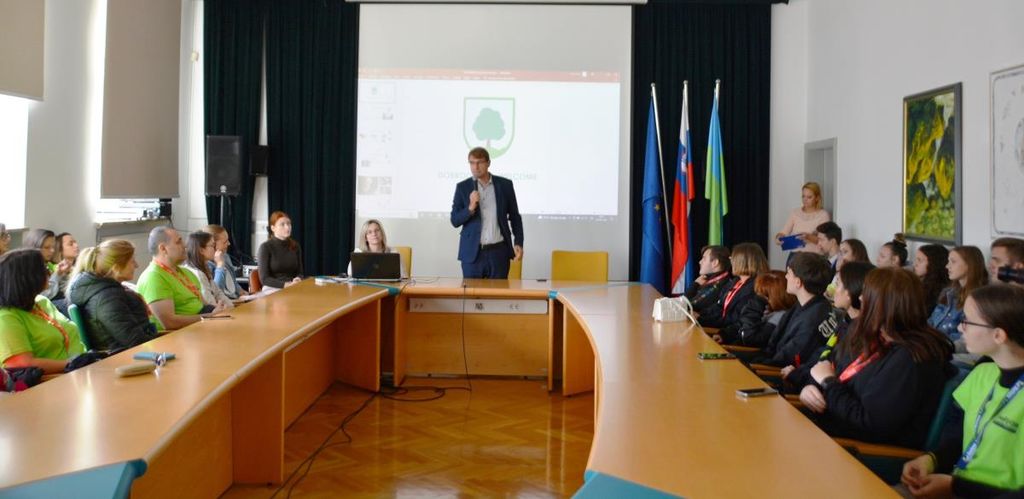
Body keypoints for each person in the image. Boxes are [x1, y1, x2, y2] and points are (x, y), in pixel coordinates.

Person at [798, 267, 953, 448]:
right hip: (828, 431)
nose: (861, 298)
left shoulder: (911, 360)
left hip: (857, 452)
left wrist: (828, 383)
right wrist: (811, 389)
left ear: (884, 304)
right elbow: (828, 368)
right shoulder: (872, 337)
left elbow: (868, 424)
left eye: (867, 294)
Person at [901, 284, 1024, 498]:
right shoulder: (982, 373)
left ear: (998, 335)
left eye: (967, 321)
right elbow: (966, 436)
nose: (960, 328)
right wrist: (931, 460)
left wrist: (954, 487)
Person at [782, 261, 874, 389]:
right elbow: (822, 356)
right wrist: (798, 372)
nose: (832, 289)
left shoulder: (860, 334)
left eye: (837, 284)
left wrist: (797, 375)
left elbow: (834, 369)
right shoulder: (846, 322)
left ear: (850, 292)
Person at [0, 249, 87, 373]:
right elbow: (20, 364)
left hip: (80, 369)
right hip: (54, 379)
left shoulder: (41, 301)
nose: (49, 272)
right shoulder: (5, 317)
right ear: (27, 278)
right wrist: (72, 364)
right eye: (43, 269)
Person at [742, 252, 833, 367]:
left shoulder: (811, 320)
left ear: (798, 282)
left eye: (789, 273)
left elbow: (784, 360)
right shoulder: (810, 305)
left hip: (776, 372)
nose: (786, 277)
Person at [67, 240, 158, 350]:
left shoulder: (106, 292)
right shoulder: (108, 299)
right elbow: (135, 340)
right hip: (126, 356)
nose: (136, 265)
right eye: (132, 261)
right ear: (116, 269)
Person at [449, 147, 524, 279]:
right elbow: (454, 220)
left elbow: (515, 217)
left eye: (479, 162)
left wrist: (518, 242)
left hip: (498, 253)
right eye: (472, 163)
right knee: (471, 292)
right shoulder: (462, 187)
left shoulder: (505, 185)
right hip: (472, 254)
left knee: (498, 292)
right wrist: (470, 208)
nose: (475, 167)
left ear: (488, 163)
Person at [137, 226, 225, 330]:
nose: (184, 245)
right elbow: (169, 323)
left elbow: (204, 305)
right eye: (178, 242)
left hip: (201, 327)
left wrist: (217, 310)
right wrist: (210, 316)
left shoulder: (187, 273)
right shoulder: (154, 277)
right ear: (163, 249)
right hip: (178, 335)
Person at [716, 270, 796, 348]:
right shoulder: (767, 310)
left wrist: (755, 308)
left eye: (763, 295)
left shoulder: (780, 316)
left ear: (777, 297)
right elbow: (742, 323)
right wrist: (724, 335)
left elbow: (751, 339)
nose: (759, 297)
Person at [929, 246, 988, 348]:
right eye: (948, 261)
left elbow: (965, 340)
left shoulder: (980, 299)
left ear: (969, 265)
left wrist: (937, 347)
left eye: (953, 262)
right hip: (934, 344)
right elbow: (931, 322)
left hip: (951, 350)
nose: (947, 266)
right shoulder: (948, 292)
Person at [700, 243, 769, 330]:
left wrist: (702, 321)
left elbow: (735, 319)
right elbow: (719, 306)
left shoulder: (755, 288)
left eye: (733, 257)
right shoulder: (735, 282)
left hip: (731, 333)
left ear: (744, 262)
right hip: (721, 328)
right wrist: (700, 315)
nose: (730, 259)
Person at [774, 182, 830, 254]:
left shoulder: (823, 215)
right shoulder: (795, 213)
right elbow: (783, 232)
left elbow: (824, 241)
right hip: (795, 255)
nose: (805, 200)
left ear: (817, 198)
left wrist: (809, 237)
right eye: (803, 196)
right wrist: (779, 238)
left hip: (814, 256)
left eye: (809, 197)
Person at [183, 232, 234, 311]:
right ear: (201, 250)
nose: (215, 249)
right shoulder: (197, 273)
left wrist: (231, 306)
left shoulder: (204, 268)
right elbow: (210, 304)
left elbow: (218, 292)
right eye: (213, 246)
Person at [257, 211, 304, 289]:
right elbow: (264, 279)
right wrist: (286, 285)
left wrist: (298, 278)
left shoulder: (296, 246)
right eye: (282, 224)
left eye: (289, 224)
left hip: (293, 286)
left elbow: (300, 272)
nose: (287, 227)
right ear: (273, 228)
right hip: (273, 287)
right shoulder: (265, 247)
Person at [22, 228, 70, 301]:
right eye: (47, 247)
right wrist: (57, 275)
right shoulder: (27, 270)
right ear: (34, 248)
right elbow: (43, 296)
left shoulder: (48, 265)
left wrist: (62, 274)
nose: (52, 250)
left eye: (53, 247)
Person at [685, 245, 732, 319]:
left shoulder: (719, 285)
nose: (700, 262)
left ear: (715, 263)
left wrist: (694, 285)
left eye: (704, 258)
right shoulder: (710, 280)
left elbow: (686, 305)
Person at [201, 224, 247, 300]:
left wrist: (242, 292)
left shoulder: (225, 256)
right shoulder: (205, 264)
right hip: (223, 302)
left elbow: (233, 282)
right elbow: (216, 293)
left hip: (235, 300)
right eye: (225, 242)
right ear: (213, 244)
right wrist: (220, 266)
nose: (229, 243)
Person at [914, 244, 950, 315]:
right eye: (916, 260)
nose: (915, 264)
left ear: (933, 263)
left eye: (920, 260)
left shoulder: (942, 291)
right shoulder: (916, 282)